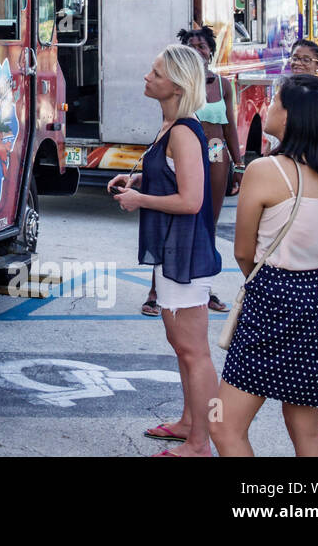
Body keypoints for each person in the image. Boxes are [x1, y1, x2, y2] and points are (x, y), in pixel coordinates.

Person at [211, 75, 318, 457]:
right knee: (307, 429)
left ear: (292, 117)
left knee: (224, 424)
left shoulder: (267, 170)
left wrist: (272, 288)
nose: (267, 108)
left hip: (278, 296)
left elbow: (245, 253)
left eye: (276, 102)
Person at [110, 44, 221, 457]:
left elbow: (191, 201)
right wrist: (137, 183)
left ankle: (200, 442)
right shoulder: (171, 126)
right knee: (181, 344)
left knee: (194, 351)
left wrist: (141, 201)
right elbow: (174, 182)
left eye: (154, 73)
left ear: (175, 85)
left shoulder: (182, 131)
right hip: (174, 249)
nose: (146, 77)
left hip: (185, 252)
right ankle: (189, 423)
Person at [141, 26, 236, 317]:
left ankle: (202, 287)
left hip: (216, 148)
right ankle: (157, 289)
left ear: (211, 50)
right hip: (188, 150)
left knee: (207, 220)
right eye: (192, 46)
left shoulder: (221, 85)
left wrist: (239, 163)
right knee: (172, 221)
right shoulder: (179, 88)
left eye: (203, 46)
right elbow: (167, 128)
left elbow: (229, 124)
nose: (198, 50)